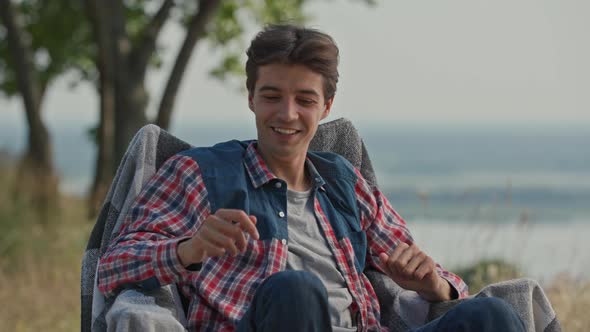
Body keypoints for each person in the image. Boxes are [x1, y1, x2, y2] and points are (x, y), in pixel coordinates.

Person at [97, 24, 525, 332]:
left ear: (326, 105)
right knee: (295, 289)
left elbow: (428, 273)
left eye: (304, 100)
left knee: (493, 315)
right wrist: (187, 250)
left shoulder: (346, 183)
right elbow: (111, 267)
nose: (287, 114)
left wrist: (435, 285)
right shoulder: (197, 174)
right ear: (250, 98)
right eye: (271, 96)